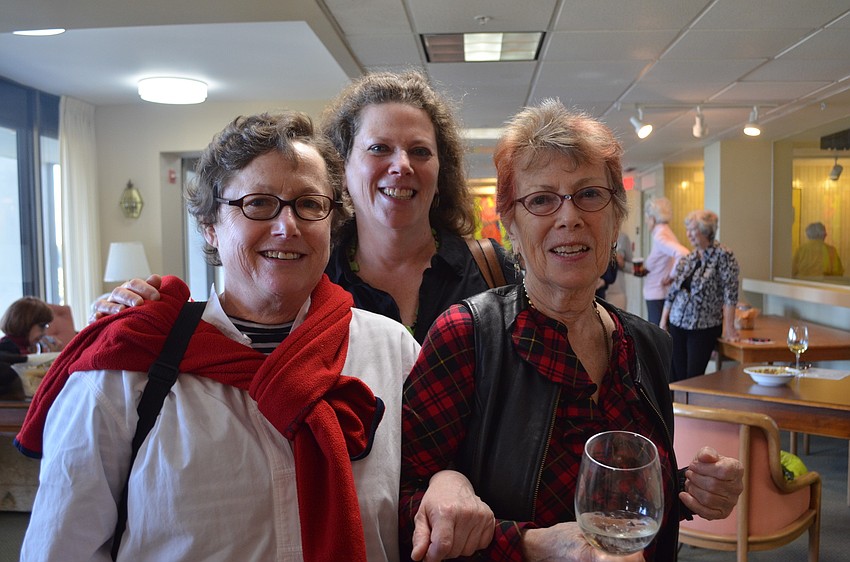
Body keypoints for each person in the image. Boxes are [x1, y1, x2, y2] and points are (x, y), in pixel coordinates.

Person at [16, 112, 491, 562]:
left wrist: (451, 480)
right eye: (258, 203)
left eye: (309, 204)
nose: (287, 227)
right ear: (210, 228)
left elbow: (435, 482)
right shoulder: (126, 372)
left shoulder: (392, 352)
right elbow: (60, 548)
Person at [399, 100, 744, 561]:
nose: (569, 217)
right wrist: (529, 545)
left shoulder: (646, 344)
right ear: (512, 226)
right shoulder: (468, 336)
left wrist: (688, 488)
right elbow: (400, 505)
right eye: (541, 199)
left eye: (589, 195)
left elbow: (623, 500)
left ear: (616, 216)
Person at [661, 210, 740, 381]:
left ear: (705, 231)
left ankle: (688, 408)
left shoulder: (724, 255)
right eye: (687, 229)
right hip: (677, 323)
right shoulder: (689, 258)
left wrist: (729, 327)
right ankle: (675, 408)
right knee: (674, 377)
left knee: (693, 378)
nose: (688, 234)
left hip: (703, 327)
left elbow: (730, 293)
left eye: (692, 230)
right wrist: (663, 320)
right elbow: (673, 291)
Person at [643, 197, 689, 325]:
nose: (646, 222)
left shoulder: (660, 235)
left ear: (652, 218)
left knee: (658, 340)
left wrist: (672, 275)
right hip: (660, 294)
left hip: (659, 295)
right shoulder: (666, 231)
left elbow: (683, 254)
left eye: (646, 218)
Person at [604, 231, 632, 309]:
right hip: (595, 291)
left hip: (616, 293)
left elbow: (632, 267)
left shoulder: (623, 238)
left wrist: (622, 264)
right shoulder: (595, 234)